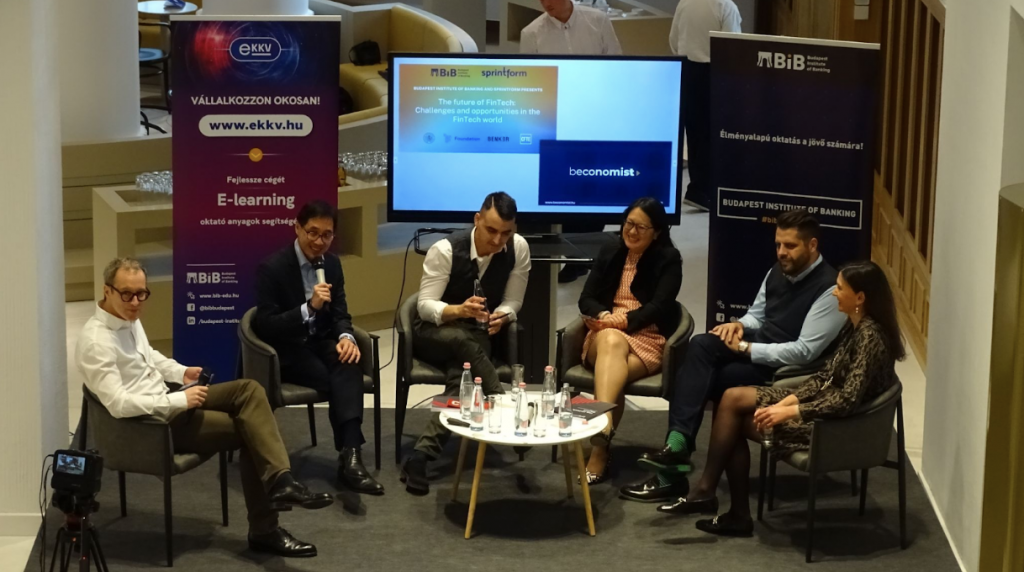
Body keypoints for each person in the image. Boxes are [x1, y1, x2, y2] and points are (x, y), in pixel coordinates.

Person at [76, 258, 332, 558]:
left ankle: (281, 481)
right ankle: (266, 529)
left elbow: (149, 357)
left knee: (249, 390)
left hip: (169, 400)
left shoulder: (127, 316)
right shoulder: (97, 342)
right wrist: (179, 400)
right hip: (153, 426)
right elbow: (119, 405)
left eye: (141, 294)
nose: (136, 302)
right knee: (252, 431)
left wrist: (181, 372)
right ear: (107, 291)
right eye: (127, 294)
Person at [657, 261, 904, 538]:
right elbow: (825, 376)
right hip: (819, 404)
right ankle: (710, 494)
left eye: (840, 288)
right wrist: (788, 401)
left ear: (860, 298)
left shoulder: (870, 337)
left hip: (835, 425)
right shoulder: (854, 325)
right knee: (732, 398)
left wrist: (791, 412)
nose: (834, 292)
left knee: (733, 422)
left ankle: (726, 507)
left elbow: (845, 401)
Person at [621, 209, 846, 502]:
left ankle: (674, 473)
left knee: (707, 381)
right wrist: (739, 325)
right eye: (778, 244)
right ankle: (677, 452)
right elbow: (757, 315)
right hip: (757, 350)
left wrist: (746, 348)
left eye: (790, 246)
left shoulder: (830, 289)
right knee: (701, 345)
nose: (781, 252)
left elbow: (804, 352)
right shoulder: (778, 270)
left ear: (812, 245)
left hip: (785, 370)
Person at [400, 192, 531, 494]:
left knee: (464, 378)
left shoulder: (519, 248)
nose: (498, 240)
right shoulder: (445, 250)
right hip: (434, 330)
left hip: (476, 335)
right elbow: (425, 306)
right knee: (462, 340)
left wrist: (502, 315)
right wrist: (458, 310)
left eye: (506, 233)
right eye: (491, 230)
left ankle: (420, 457)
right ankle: (502, 400)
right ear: (477, 220)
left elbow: (513, 300)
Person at [253, 200, 383, 495]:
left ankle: (351, 456)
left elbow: (340, 313)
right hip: (286, 350)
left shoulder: (332, 264)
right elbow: (266, 325)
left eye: (327, 235)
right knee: (341, 381)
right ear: (297, 228)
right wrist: (308, 307)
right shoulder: (272, 268)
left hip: (319, 342)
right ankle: (350, 459)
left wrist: (346, 337)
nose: (319, 242)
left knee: (348, 362)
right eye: (312, 232)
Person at [577, 197, 683, 483]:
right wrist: (604, 315)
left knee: (613, 369)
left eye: (641, 227)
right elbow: (586, 297)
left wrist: (623, 321)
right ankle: (604, 426)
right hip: (603, 335)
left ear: (657, 232)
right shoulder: (610, 250)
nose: (632, 232)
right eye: (629, 224)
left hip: (646, 338)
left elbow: (660, 306)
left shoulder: (668, 259)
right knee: (612, 341)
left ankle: (601, 442)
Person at [520, 0, 622, 284]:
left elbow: (616, 64)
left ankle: (589, 256)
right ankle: (574, 257)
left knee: (594, 183)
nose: (547, 3)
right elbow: (529, 80)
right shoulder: (532, 33)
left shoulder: (597, 20)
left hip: (596, 114)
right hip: (558, 119)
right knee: (565, 187)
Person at [670, 0, 742, 211]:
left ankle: (698, 188)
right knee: (714, 134)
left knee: (694, 133)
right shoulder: (725, 6)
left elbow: (673, 40)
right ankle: (708, 190)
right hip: (714, 72)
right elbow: (732, 47)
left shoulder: (685, 3)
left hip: (688, 70)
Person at [520, 0, 622, 56]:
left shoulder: (599, 20)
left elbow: (615, 62)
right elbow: (530, 76)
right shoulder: (530, 34)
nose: (546, 4)